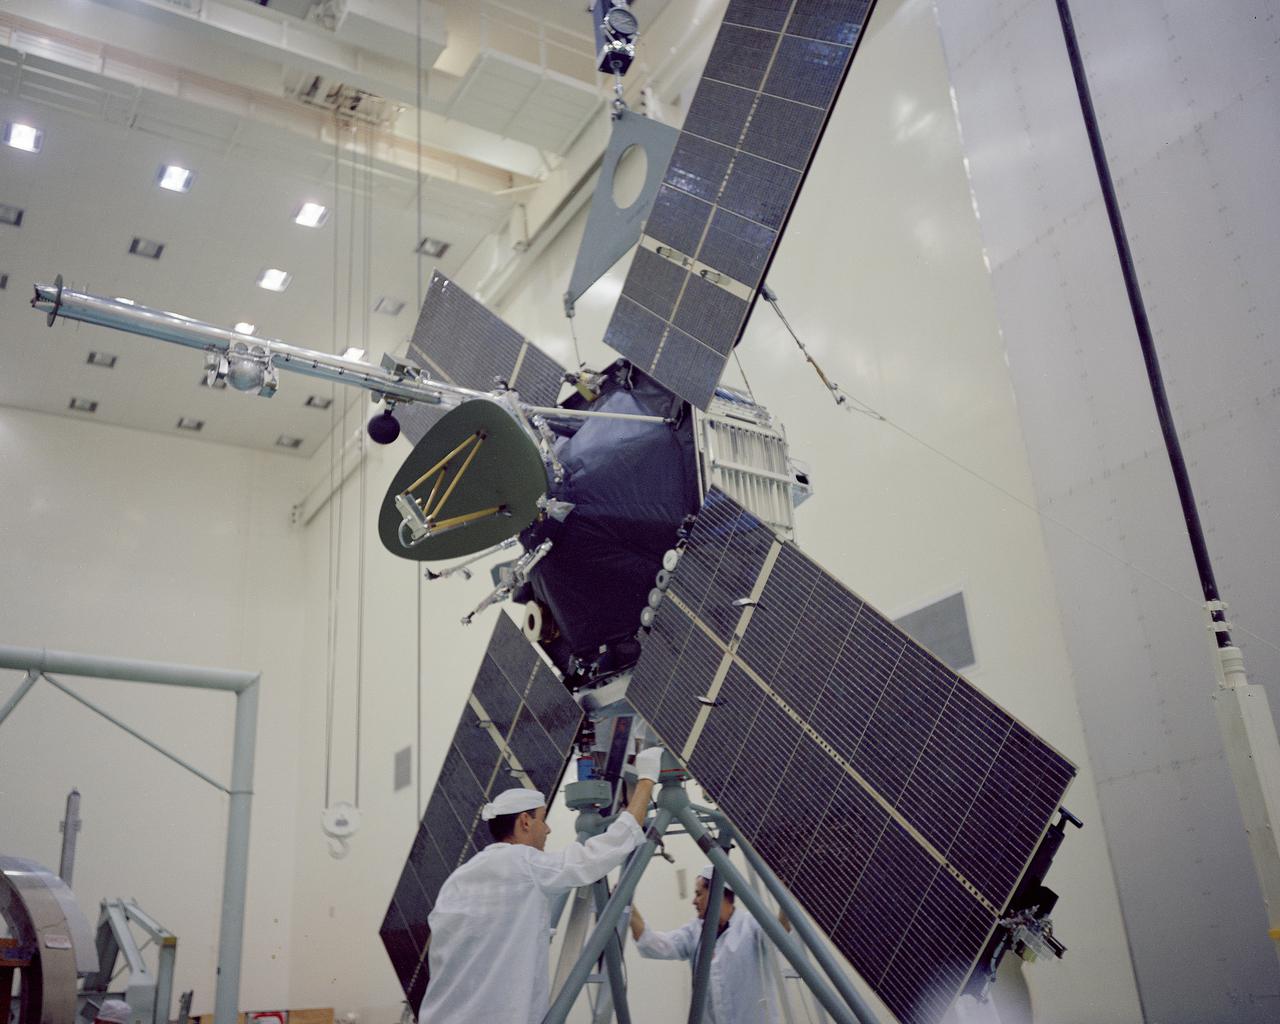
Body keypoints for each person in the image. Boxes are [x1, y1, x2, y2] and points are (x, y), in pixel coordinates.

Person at [418, 746, 665, 1023]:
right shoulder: (525, 864)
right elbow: (603, 851)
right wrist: (646, 778)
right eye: (542, 819)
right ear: (525, 822)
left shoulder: (458, 879)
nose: (547, 829)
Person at [629, 864, 791, 1023]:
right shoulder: (693, 932)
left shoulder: (751, 926)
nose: (694, 901)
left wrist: (788, 895)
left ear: (717, 894)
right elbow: (654, 944)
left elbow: (780, 934)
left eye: (699, 894)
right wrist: (628, 905)